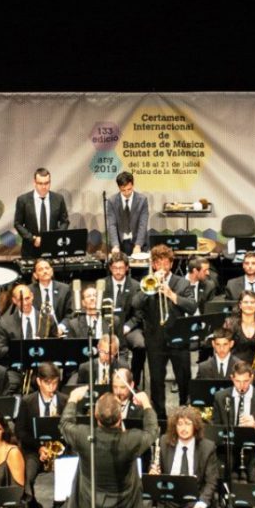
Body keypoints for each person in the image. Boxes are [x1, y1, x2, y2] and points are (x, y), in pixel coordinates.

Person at [130, 244, 197, 417]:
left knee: (184, 379)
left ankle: (184, 413)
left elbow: (192, 306)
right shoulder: (146, 282)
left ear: (171, 264)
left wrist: (172, 295)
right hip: (155, 340)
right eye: (158, 263)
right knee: (156, 381)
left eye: (165, 263)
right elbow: (135, 303)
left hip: (178, 339)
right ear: (153, 265)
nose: (162, 267)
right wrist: (149, 288)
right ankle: (160, 419)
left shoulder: (181, 282)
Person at [14, 363, 68, 508]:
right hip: (34, 450)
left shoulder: (65, 401)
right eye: (47, 383)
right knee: (27, 475)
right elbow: (20, 431)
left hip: (60, 450)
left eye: (55, 383)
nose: (52, 388)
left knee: (67, 472)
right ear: (38, 381)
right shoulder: (27, 401)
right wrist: (39, 448)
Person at [212, 362, 255, 479]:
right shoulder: (220, 397)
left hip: (254, 450)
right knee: (218, 476)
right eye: (238, 381)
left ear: (252, 378)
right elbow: (215, 428)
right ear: (232, 378)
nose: (242, 386)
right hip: (227, 450)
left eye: (246, 381)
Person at [0, 284, 60, 391]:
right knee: (8, 385)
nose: (25, 303)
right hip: (17, 369)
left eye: (27, 298)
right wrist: (21, 348)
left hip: (42, 368)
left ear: (32, 296)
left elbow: (57, 347)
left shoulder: (47, 319)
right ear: (14, 301)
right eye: (20, 300)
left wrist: (44, 345)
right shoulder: (5, 323)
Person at [103, 251, 145, 385]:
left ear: (127, 268)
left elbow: (139, 314)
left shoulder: (136, 286)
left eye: (121, 268)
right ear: (110, 268)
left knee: (140, 345)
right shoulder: (102, 284)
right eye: (115, 268)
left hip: (129, 327)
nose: (118, 271)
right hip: (107, 327)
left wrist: (127, 326)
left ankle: (134, 380)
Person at [13, 167, 70, 258]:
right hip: (30, 250)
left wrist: (54, 237)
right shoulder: (23, 200)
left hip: (53, 248)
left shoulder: (58, 199)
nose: (44, 187)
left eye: (47, 183)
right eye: (40, 183)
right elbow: (17, 223)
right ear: (34, 182)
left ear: (50, 182)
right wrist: (32, 238)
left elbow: (65, 222)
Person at [105, 171, 149, 255]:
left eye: (129, 189)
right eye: (123, 190)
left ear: (132, 185)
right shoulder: (112, 201)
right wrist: (115, 245)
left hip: (138, 242)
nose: (126, 193)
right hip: (120, 243)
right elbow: (112, 224)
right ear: (119, 187)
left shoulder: (142, 200)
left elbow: (143, 224)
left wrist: (138, 245)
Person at [30, 258, 73, 324]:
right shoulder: (29, 291)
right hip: (38, 328)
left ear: (52, 271)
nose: (45, 271)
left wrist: (62, 327)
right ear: (35, 275)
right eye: (41, 269)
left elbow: (69, 313)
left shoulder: (64, 289)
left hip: (59, 327)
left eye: (47, 268)